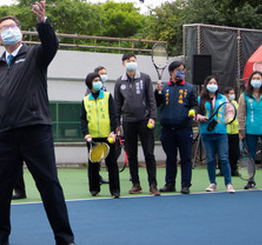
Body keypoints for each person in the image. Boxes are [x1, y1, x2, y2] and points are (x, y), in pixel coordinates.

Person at [0, 1, 82, 245]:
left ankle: (64, 238)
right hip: (7, 134)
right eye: (3, 29)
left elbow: (52, 45)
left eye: (12, 26)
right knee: (0, 186)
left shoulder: (36, 55)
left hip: (36, 130)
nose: (8, 30)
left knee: (49, 184)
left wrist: (43, 23)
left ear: (21, 33)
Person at [114, 53, 160, 196]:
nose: (131, 63)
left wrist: (153, 117)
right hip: (128, 122)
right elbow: (117, 104)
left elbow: (151, 99)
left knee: (149, 153)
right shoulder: (119, 82)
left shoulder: (145, 78)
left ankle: (153, 185)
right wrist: (117, 123)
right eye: (128, 61)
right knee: (132, 154)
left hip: (145, 121)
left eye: (133, 60)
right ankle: (136, 184)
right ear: (123, 64)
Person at [154, 60, 197, 194]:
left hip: (184, 129)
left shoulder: (190, 88)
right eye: (178, 70)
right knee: (170, 158)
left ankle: (185, 184)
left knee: (186, 158)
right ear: (171, 72)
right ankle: (170, 183)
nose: (181, 72)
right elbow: (156, 104)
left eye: (183, 70)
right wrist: (157, 92)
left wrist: (193, 112)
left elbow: (194, 105)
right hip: (167, 130)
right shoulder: (165, 88)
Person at [80, 72, 120, 198]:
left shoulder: (108, 96)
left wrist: (113, 132)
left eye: (99, 80)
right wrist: (86, 134)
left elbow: (113, 115)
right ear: (89, 83)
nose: (98, 82)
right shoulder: (85, 100)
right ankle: (94, 189)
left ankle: (115, 190)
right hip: (93, 137)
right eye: (95, 80)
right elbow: (83, 119)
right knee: (93, 164)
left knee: (111, 163)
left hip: (108, 135)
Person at [195, 76, 236, 193]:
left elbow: (229, 111)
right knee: (210, 159)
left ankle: (229, 183)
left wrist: (228, 119)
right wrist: (200, 117)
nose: (212, 84)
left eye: (214, 82)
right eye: (210, 82)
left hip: (221, 132)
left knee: (223, 158)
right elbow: (195, 113)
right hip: (206, 133)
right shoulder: (200, 99)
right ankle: (212, 183)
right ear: (206, 85)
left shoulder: (223, 98)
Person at [223, 87, 240, 177]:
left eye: (233, 93)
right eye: (230, 93)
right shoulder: (222, 103)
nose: (232, 95)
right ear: (226, 94)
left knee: (235, 152)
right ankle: (223, 170)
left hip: (235, 132)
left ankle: (234, 170)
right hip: (225, 131)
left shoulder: (235, 103)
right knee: (224, 153)